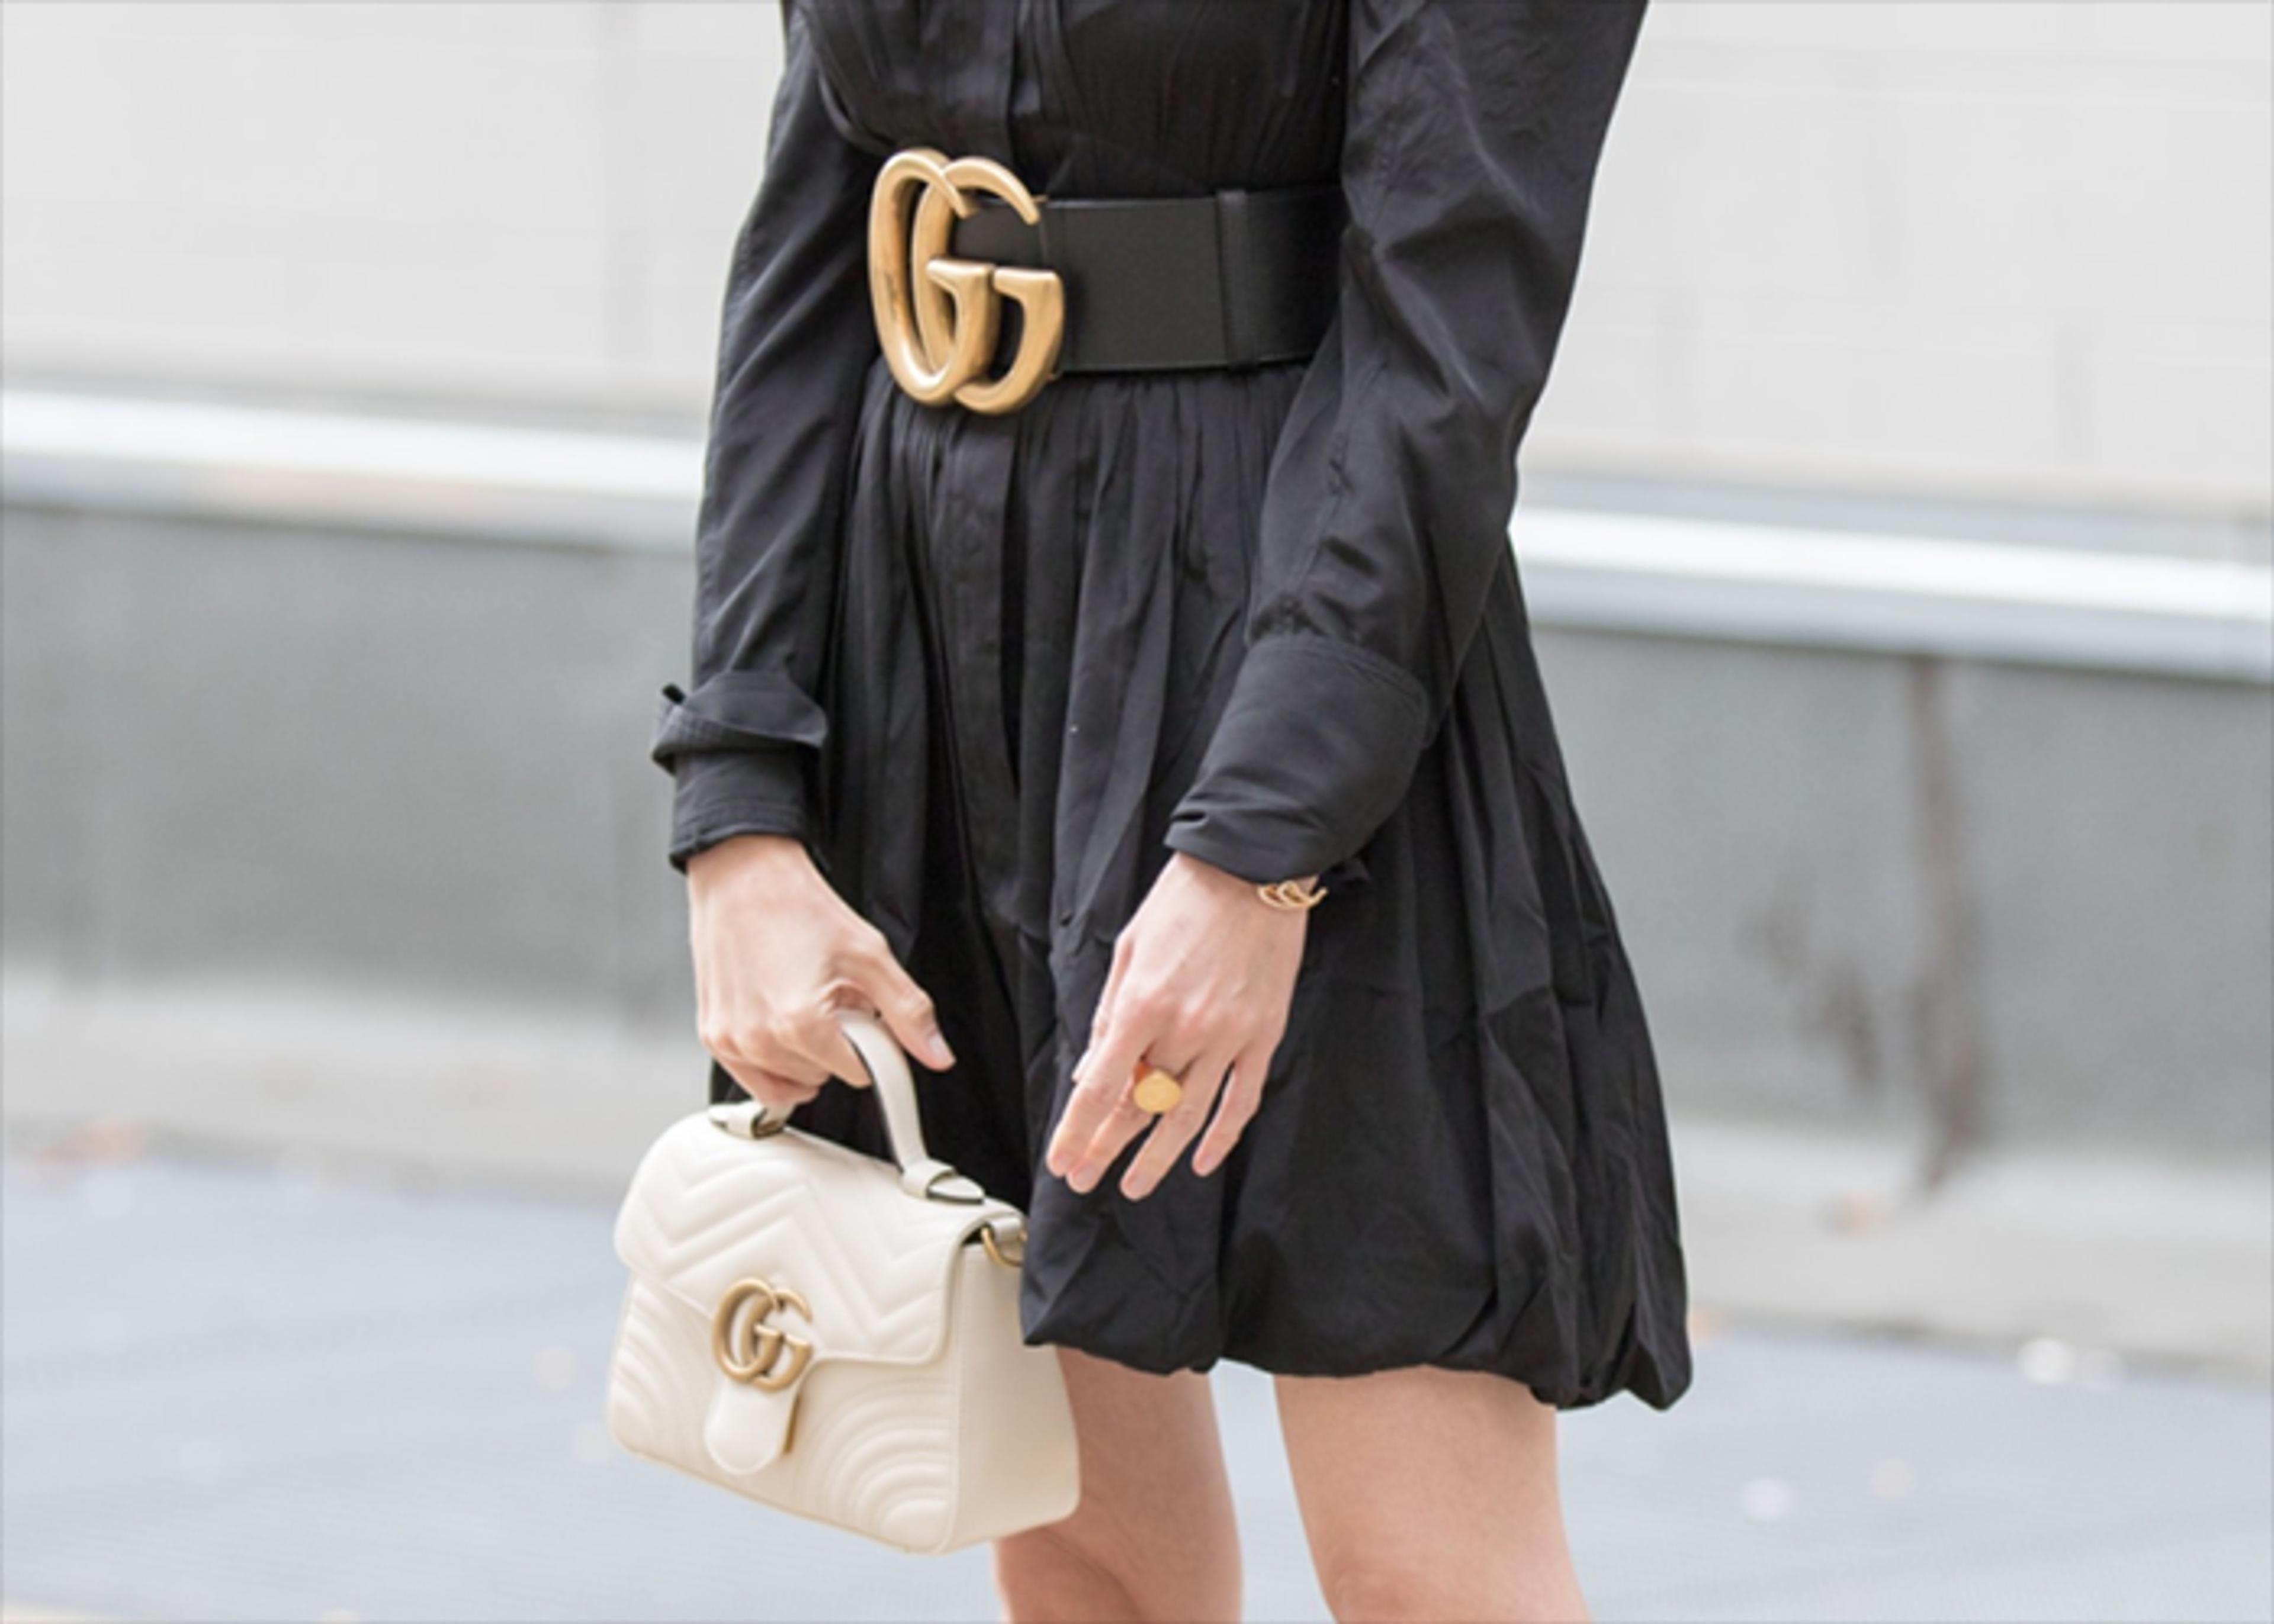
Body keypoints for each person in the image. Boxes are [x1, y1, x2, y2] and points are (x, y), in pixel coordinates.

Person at [648, 1, 1691, 1618]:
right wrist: (740, 808)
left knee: (1429, 1577)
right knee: (1082, 1550)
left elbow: (1446, 347)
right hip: (946, 645)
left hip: (1310, 655)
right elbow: (818, 237)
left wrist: (1262, 851)